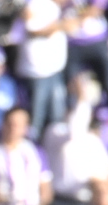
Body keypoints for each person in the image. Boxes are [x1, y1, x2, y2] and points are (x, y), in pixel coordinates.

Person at [16, 0, 69, 137]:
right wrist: (60, 26)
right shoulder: (34, 4)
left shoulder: (55, 8)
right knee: (36, 119)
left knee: (57, 117)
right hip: (37, 71)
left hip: (55, 69)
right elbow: (32, 28)